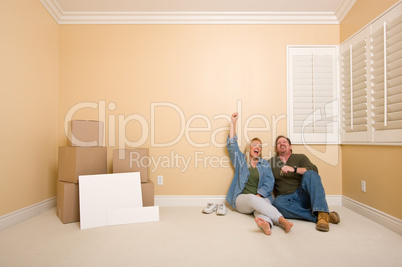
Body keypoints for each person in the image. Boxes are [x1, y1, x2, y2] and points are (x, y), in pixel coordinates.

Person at [226, 112, 293, 235]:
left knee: (260, 209)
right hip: (243, 200)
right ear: (249, 148)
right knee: (252, 199)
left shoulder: (265, 164)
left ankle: (266, 225)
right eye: (254, 145)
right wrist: (232, 123)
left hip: (261, 198)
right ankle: (282, 220)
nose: (258, 147)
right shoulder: (241, 160)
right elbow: (231, 146)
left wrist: (260, 194)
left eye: (260, 146)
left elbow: (269, 181)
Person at [268, 135, 340, 232]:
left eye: (284, 142)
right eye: (279, 143)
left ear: (290, 146)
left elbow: (314, 170)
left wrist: (294, 169)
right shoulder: (272, 162)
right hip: (286, 199)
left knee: (310, 174)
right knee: (277, 203)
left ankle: (322, 212)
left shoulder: (300, 157)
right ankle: (321, 217)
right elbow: (263, 174)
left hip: (303, 195)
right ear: (277, 148)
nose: (281, 144)